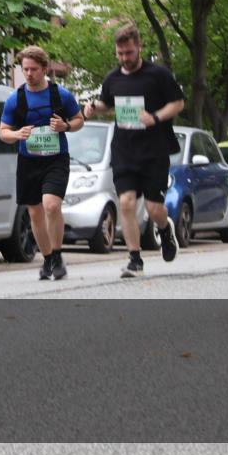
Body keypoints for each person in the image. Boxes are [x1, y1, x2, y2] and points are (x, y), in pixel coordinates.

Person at [83, 24, 185, 278]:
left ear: (139, 47)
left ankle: (165, 229)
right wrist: (93, 107)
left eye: (129, 52)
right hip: (124, 150)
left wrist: (155, 117)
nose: (124, 58)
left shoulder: (158, 75)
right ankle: (135, 260)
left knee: (153, 208)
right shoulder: (112, 79)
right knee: (126, 203)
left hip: (154, 151)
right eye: (120, 53)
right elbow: (107, 103)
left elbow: (178, 103)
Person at [0, 46, 84, 280]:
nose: (28, 74)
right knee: (35, 212)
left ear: (44, 69)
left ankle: (57, 255)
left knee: (51, 205)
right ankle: (47, 259)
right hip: (28, 161)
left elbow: (79, 120)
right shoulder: (16, 99)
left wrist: (66, 126)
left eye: (34, 69)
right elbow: (3, 132)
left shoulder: (60, 95)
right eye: (25, 69)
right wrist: (17, 134)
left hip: (56, 159)